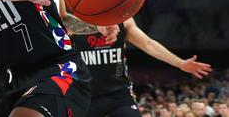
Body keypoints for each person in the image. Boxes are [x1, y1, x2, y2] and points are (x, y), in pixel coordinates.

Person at [62, 11, 212, 117]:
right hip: (85, 95)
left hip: (118, 94)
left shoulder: (123, 20)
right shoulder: (72, 20)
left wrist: (180, 63)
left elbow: (148, 44)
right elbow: (62, 20)